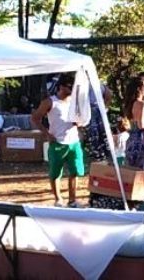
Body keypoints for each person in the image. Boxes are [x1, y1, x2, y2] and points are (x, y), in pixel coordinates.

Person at [31, 74, 85, 207]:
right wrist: (47, 134)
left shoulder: (75, 102)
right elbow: (35, 118)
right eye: (69, 86)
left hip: (74, 142)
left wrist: (80, 124)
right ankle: (58, 199)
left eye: (74, 86)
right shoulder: (50, 102)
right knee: (55, 173)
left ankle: (72, 200)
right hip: (57, 142)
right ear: (61, 87)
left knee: (76, 171)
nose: (72, 89)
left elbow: (81, 119)